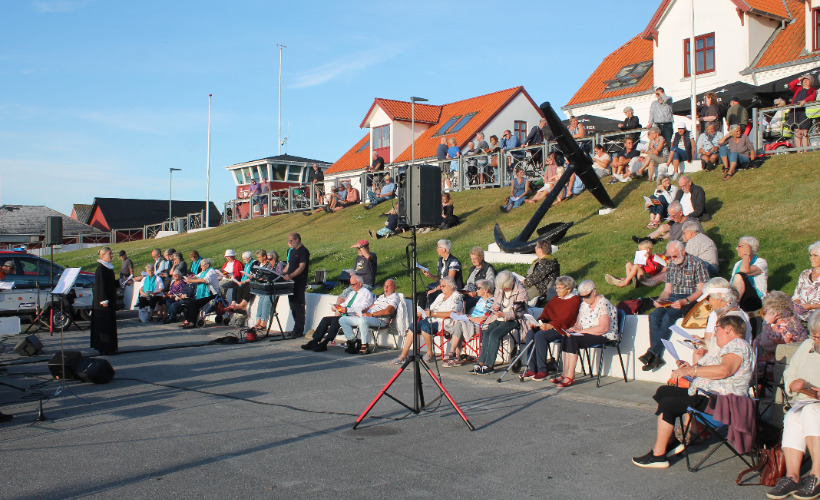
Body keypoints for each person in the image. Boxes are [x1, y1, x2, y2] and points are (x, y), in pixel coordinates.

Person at [631, 315, 753, 469]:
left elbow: (725, 370)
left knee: (669, 404)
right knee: (663, 392)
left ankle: (659, 455)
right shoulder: (729, 348)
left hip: (722, 403)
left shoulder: (738, 345)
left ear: (728, 329)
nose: (715, 334)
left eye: (717, 329)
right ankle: (671, 442)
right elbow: (711, 371)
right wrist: (689, 368)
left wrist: (691, 370)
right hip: (709, 395)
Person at [767, 311, 820, 500]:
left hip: (815, 405)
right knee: (793, 416)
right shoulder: (808, 346)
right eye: (814, 334)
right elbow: (790, 371)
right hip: (807, 399)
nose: (816, 339)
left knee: (810, 412)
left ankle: (817, 475)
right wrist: (792, 384)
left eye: (819, 335)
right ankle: (792, 476)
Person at [639, 240, 709, 371]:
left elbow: (701, 290)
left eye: (675, 256)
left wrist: (686, 301)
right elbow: (667, 290)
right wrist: (660, 300)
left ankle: (653, 352)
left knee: (668, 317)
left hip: (690, 298)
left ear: (683, 252)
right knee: (654, 316)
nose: (672, 259)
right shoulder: (671, 264)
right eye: (670, 257)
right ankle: (655, 355)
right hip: (673, 297)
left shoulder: (697, 263)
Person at [551, 280, 618, 387]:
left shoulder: (603, 303)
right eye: (582, 297)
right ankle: (564, 374)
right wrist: (573, 329)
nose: (584, 299)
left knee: (573, 340)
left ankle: (570, 376)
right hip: (587, 333)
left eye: (586, 296)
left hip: (604, 335)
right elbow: (579, 324)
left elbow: (604, 328)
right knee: (567, 336)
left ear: (594, 292)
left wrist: (581, 331)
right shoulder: (584, 304)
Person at [392, 276, 464, 365]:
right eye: (441, 286)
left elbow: (452, 313)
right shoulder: (441, 296)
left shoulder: (457, 296)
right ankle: (403, 355)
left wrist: (433, 314)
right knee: (413, 326)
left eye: (443, 286)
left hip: (445, 322)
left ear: (451, 286)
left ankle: (430, 353)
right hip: (431, 319)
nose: (441, 288)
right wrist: (423, 312)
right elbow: (431, 308)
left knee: (425, 327)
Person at [522, 275, 581, 381]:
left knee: (540, 336)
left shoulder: (575, 300)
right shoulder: (556, 299)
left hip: (563, 329)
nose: (557, 290)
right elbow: (546, 314)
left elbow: (567, 318)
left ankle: (542, 370)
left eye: (560, 288)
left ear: (569, 289)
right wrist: (538, 322)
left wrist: (551, 325)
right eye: (556, 288)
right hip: (551, 325)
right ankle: (532, 368)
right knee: (531, 333)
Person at [470, 271, 528, 375]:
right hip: (499, 316)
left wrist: (504, 315)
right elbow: (496, 300)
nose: (503, 290)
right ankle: (481, 362)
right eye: (502, 288)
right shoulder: (500, 287)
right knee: (487, 332)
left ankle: (489, 365)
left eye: (505, 288)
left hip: (513, 319)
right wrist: (495, 306)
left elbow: (519, 312)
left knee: (494, 334)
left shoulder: (521, 291)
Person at [302, 273, 374, 353]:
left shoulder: (366, 293)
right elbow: (346, 303)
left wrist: (347, 310)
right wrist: (337, 307)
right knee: (325, 319)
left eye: (354, 284)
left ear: (360, 283)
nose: (352, 286)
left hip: (354, 316)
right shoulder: (353, 293)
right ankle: (315, 340)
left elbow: (363, 307)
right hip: (347, 315)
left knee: (336, 321)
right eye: (351, 284)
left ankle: (325, 342)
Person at [339, 279, 400, 354]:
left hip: (380, 320)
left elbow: (388, 311)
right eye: (385, 286)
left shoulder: (395, 297)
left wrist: (371, 314)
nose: (386, 288)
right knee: (343, 320)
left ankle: (364, 345)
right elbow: (371, 307)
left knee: (362, 320)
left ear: (395, 287)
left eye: (389, 286)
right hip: (367, 317)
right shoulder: (381, 296)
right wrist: (361, 312)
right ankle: (353, 341)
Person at [445, 278, 494, 366]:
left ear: (486, 290)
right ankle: (454, 354)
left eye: (478, 288)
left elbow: (482, 319)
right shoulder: (481, 300)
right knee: (459, 323)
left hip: (481, 326)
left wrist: (468, 318)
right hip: (472, 323)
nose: (476, 290)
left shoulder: (491, 301)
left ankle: (454, 355)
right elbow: (475, 316)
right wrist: (465, 316)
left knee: (460, 324)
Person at [693, 278, 752, 348]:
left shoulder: (732, 319)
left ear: (719, 296)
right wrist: (703, 343)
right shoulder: (731, 313)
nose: (707, 302)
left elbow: (730, 349)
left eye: (708, 298)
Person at [757, 290, 808, 362]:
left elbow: (767, 346)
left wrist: (765, 323)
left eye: (767, 309)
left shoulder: (783, 326)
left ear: (776, 310)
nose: (764, 311)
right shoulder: (791, 321)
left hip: (777, 365)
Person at [90, 246, 118, 355]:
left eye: (111, 253)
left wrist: (121, 282)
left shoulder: (108, 268)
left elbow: (110, 283)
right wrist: (103, 300)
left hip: (109, 300)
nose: (112, 255)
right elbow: (100, 286)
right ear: (103, 255)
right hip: (103, 302)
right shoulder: (101, 269)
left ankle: (110, 347)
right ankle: (104, 347)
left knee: (109, 324)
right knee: (103, 325)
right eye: (109, 254)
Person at [730, 235, 768, 312]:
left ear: (749, 248)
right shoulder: (738, 264)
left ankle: (732, 304)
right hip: (740, 296)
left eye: (739, 246)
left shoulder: (760, 262)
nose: (736, 248)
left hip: (754, 299)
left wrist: (746, 254)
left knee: (739, 276)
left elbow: (744, 271)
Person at [180, 258, 220, 329]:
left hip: (210, 294)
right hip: (202, 294)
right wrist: (190, 278)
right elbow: (197, 276)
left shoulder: (211, 272)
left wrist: (191, 280)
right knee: (190, 302)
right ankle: (188, 320)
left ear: (207, 265)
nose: (201, 267)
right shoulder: (204, 272)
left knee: (195, 304)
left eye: (202, 265)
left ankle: (192, 322)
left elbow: (204, 280)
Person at [421, 239, 464, 305]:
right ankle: (421, 311)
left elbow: (449, 282)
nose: (437, 249)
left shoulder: (453, 261)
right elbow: (440, 278)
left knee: (431, 296)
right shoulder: (440, 261)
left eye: (438, 247)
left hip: (451, 289)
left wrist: (435, 289)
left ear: (444, 249)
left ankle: (432, 311)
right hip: (443, 287)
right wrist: (430, 275)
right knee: (423, 295)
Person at [284, 233, 309, 338]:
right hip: (290, 283)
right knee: (292, 306)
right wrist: (281, 273)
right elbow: (289, 264)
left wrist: (291, 275)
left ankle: (299, 330)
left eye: (291, 240)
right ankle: (295, 328)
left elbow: (301, 267)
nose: (289, 243)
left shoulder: (303, 251)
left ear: (297, 240)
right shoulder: (292, 251)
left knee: (299, 306)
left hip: (299, 282)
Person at [789, 74, 817, 152]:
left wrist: (805, 101)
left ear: (811, 82)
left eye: (807, 80)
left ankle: (805, 150)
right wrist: (800, 78)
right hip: (796, 111)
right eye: (804, 80)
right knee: (797, 132)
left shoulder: (812, 90)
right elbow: (791, 85)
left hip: (804, 111)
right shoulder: (798, 89)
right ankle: (798, 150)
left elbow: (812, 97)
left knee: (805, 132)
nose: (805, 81)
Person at [793, 241, 820, 321]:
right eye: (811, 255)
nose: (811, 258)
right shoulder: (805, 274)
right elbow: (796, 295)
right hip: (800, 318)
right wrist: (798, 305)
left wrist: (811, 306)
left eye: (815, 255)